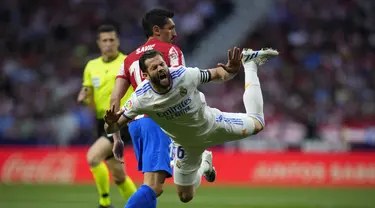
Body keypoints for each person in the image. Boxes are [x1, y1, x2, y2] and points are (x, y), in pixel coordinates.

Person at [104, 47, 279, 207]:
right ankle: (204, 164)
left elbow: (218, 74)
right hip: (186, 146)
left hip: (214, 125)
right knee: (185, 196)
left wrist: (231, 71)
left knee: (258, 124)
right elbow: (111, 128)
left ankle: (250, 63)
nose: (161, 69)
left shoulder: (183, 75)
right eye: (154, 68)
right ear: (146, 75)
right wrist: (111, 122)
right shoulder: (140, 98)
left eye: (162, 64)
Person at [110, 9, 215, 207]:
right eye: (171, 29)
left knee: (180, 193)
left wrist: (116, 137)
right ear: (157, 30)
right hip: (158, 121)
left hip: (136, 125)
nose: (175, 34)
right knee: (153, 187)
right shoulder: (171, 51)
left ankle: (203, 163)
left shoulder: (128, 60)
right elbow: (181, 85)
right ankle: (202, 160)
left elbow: (115, 97)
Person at [77, 24, 137, 208]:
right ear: (99, 43)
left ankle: (104, 203)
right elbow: (87, 90)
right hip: (99, 122)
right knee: (119, 177)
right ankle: (144, 205)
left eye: (112, 40)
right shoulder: (91, 66)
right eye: (105, 40)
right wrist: (83, 96)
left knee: (93, 157)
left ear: (118, 41)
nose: (109, 44)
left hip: (120, 121)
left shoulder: (127, 63)